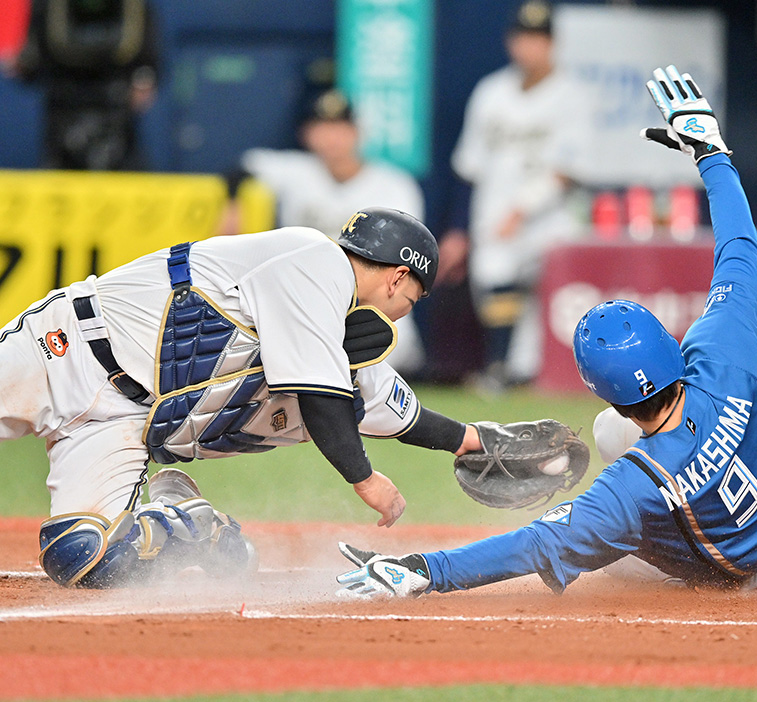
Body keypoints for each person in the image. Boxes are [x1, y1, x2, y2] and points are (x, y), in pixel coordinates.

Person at [335, 66, 757, 600]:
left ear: (607, 393)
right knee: (705, 440)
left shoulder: (632, 486)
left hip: (747, 574)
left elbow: (534, 544)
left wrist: (423, 569)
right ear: (669, 343)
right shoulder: (721, 353)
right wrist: (712, 154)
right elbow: (739, 249)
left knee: (605, 545)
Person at [0, 207, 485, 589]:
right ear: (398, 277)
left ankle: (190, 526)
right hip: (67, 348)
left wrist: (475, 441)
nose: (401, 314)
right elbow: (322, 398)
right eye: (410, 301)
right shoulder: (315, 260)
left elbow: (394, 410)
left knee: (82, 557)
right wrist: (365, 480)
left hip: (120, 423)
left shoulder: (327, 330)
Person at [219, 87, 426, 373]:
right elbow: (240, 168)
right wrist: (232, 207)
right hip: (308, 302)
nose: (331, 138)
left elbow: (407, 263)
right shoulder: (295, 171)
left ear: (357, 132)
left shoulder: (394, 185)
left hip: (370, 306)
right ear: (307, 135)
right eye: (322, 129)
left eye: (340, 129)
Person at [450, 0, 588, 389]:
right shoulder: (490, 92)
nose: (530, 47)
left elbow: (567, 172)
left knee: (546, 305)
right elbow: (469, 165)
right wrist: (459, 229)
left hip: (551, 218)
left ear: (552, 43)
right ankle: (504, 373)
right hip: (493, 213)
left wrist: (522, 208)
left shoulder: (572, 95)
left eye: (538, 38)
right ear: (512, 42)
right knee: (495, 284)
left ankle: (521, 374)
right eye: (523, 38)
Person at [13, 0, 158, 170]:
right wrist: (24, 64)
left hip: (117, 107)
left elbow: (147, 58)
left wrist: (144, 78)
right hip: (64, 104)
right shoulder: (46, 7)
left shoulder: (134, 8)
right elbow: (31, 63)